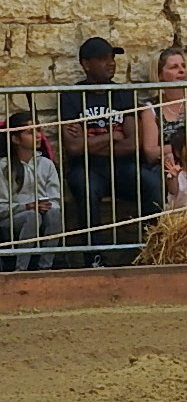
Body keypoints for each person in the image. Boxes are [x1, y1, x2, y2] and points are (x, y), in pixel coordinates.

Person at [59, 37, 159, 255]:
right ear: (86, 64)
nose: (111, 63)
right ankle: (94, 257)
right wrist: (113, 135)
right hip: (86, 168)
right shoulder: (71, 96)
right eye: (103, 59)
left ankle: (153, 252)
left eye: (112, 58)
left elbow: (133, 144)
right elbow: (74, 148)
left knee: (152, 183)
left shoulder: (123, 94)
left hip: (122, 167)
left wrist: (89, 141)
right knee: (86, 188)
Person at [2, 114, 62, 270]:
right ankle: (20, 269)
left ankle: (45, 267)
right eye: (30, 132)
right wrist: (27, 207)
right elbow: (2, 207)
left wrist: (47, 206)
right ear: (15, 139)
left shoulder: (47, 164)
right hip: (13, 218)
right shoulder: (3, 167)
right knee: (32, 217)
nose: (37, 136)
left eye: (38, 130)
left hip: (42, 212)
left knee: (55, 213)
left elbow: (56, 198)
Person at [137, 48, 187, 180]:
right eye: (174, 67)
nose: (181, 71)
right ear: (160, 75)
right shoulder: (151, 109)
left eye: (183, 66)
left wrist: (171, 149)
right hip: (166, 170)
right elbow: (150, 152)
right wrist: (186, 148)